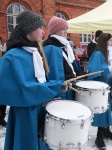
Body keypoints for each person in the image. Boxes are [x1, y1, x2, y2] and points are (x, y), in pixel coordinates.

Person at [0, 10, 64, 150]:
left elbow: (39, 81)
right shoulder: (12, 57)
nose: (43, 32)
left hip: (40, 108)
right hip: (25, 114)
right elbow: (23, 89)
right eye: (40, 28)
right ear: (29, 29)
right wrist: (54, 86)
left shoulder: (34, 53)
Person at [87, 33, 112, 150]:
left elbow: (108, 70)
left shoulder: (107, 53)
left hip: (106, 85)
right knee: (102, 110)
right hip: (100, 87)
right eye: (110, 41)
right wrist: (107, 68)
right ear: (104, 42)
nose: (111, 43)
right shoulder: (98, 53)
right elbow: (93, 69)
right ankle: (99, 136)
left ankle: (106, 130)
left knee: (108, 108)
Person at [43, 16, 82, 100]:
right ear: (55, 30)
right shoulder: (52, 47)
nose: (65, 32)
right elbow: (55, 73)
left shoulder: (62, 45)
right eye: (63, 29)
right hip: (61, 91)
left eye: (66, 29)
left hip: (67, 86)